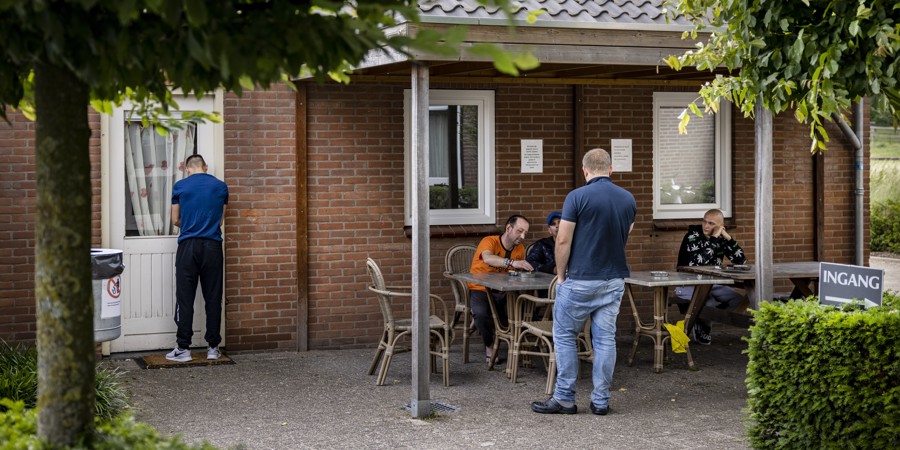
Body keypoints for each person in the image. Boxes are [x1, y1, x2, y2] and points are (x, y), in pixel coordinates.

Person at [531, 148, 636, 416]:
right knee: (605, 340)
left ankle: (565, 397)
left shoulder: (576, 197)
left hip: (580, 278)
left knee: (565, 336)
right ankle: (601, 401)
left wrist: (562, 275)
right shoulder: (628, 199)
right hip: (613, 279)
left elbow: (563, 240)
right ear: (611, 169)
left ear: (585, 170)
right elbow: (626, 234)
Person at [165, 154, 229, 362]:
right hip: (212, 246)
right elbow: (220, 221)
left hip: (188, 246)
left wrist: (190, 222)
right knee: (213, 296)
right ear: (205, 167)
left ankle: (183, 349)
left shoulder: (180, 186)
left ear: (187, 169)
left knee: (185, 297)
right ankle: (213, 347)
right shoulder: (221, 187)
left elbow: (175, 219)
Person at [673, 208, 747, 345]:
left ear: (720, 225)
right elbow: (700, 262)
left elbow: (741, 261)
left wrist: (728, 238)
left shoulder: (721, 238)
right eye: (704, 221)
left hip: (713, 284)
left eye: (711, 223)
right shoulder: (692, 236)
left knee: (738, 301)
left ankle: (702, 320)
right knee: (709, 303)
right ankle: (703, 325)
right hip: (688, 284)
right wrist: (714, 238)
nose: (706, 226)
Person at [468, 214, 534, 365]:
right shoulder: (490, 241)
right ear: (508, 228)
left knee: (522, 312)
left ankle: (518, 348)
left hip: (504, 290)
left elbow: (515, 273)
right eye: (520, 231)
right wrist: (513, 263)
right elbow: (488, 258)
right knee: (481, 313)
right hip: (481, 287)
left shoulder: (520, 248)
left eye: (525, 233)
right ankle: (489, 346)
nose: (523, 236)